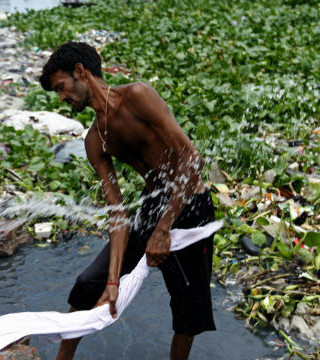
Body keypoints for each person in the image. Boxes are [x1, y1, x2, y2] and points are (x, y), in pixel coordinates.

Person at [39, 41, 216, 360]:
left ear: (81, 72)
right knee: (88, 283)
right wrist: (113, 280)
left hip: (191, 205)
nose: (62, 98)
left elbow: (191, 159)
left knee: (189, 311)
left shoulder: (137, 96)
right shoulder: (94, 140)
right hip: (153, 205)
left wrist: (163, 231)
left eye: (62, 88)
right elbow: (118, 213)